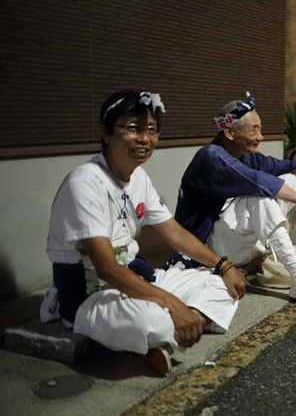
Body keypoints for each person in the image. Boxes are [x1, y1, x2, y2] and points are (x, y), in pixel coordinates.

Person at [43, 91, 246, 375]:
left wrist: (224, 266)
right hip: (91, 292)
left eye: (151, 130)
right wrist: (172, 303)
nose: (145, 139)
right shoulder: (84, 184)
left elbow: (174, 233)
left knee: (222, 285)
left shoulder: (138, 177)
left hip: (136, 276)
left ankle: (177, 327)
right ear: (106, 133)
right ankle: (167, 328)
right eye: (133, 129)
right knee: (155, 320)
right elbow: (107, 268)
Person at [173, 92, 296, 308]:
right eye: (254, 129)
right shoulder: (210, 157)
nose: (261, 136)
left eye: (260, 128)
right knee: (260, 197)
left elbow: (293, 166)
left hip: (237, 242)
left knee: (291, 180)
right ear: (229, 132)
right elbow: (259, 182)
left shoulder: (248, 155)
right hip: (209, 248)